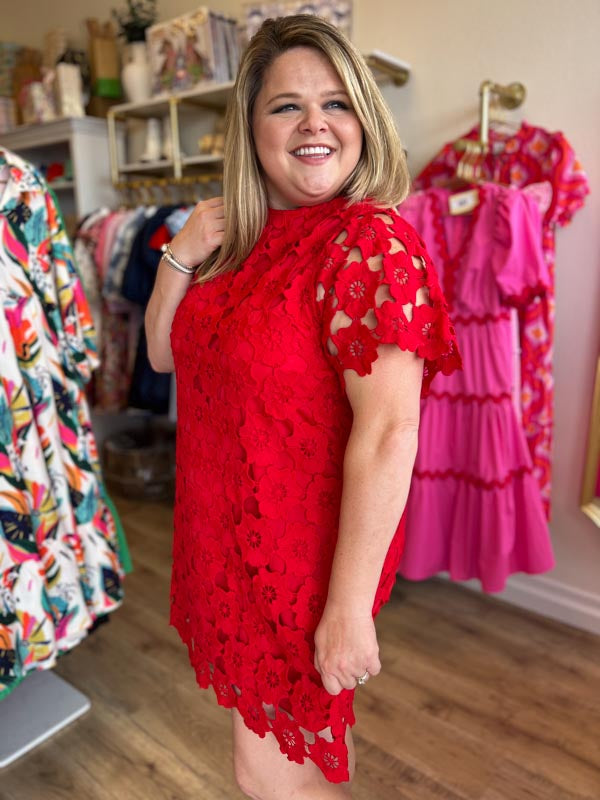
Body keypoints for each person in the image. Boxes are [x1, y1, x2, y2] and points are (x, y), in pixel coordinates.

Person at [145, 14, 461, 800]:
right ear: (252, 131)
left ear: (364, 121)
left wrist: (349, 611)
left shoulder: (369, 245)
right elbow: (161, 356)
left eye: (337, 103)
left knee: (270, 771)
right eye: (286, 105)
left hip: (297, 562)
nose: (315, 122)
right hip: (224, 543)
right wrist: (178, 257)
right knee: (288, 750)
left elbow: (391, 430)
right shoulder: (237, 246)